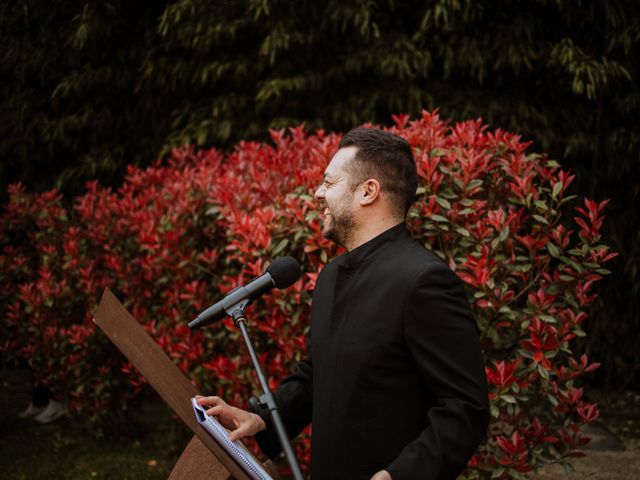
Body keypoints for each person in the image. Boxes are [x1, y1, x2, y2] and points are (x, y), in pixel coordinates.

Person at [197, 127, 490, 480]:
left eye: (329, 183)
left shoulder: (425, 281)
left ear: (368, 191)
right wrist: (260, 419)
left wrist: (397, 476)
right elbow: (319, 375)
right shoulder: (332, 275)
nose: (319, 193)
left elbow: (465, 408)